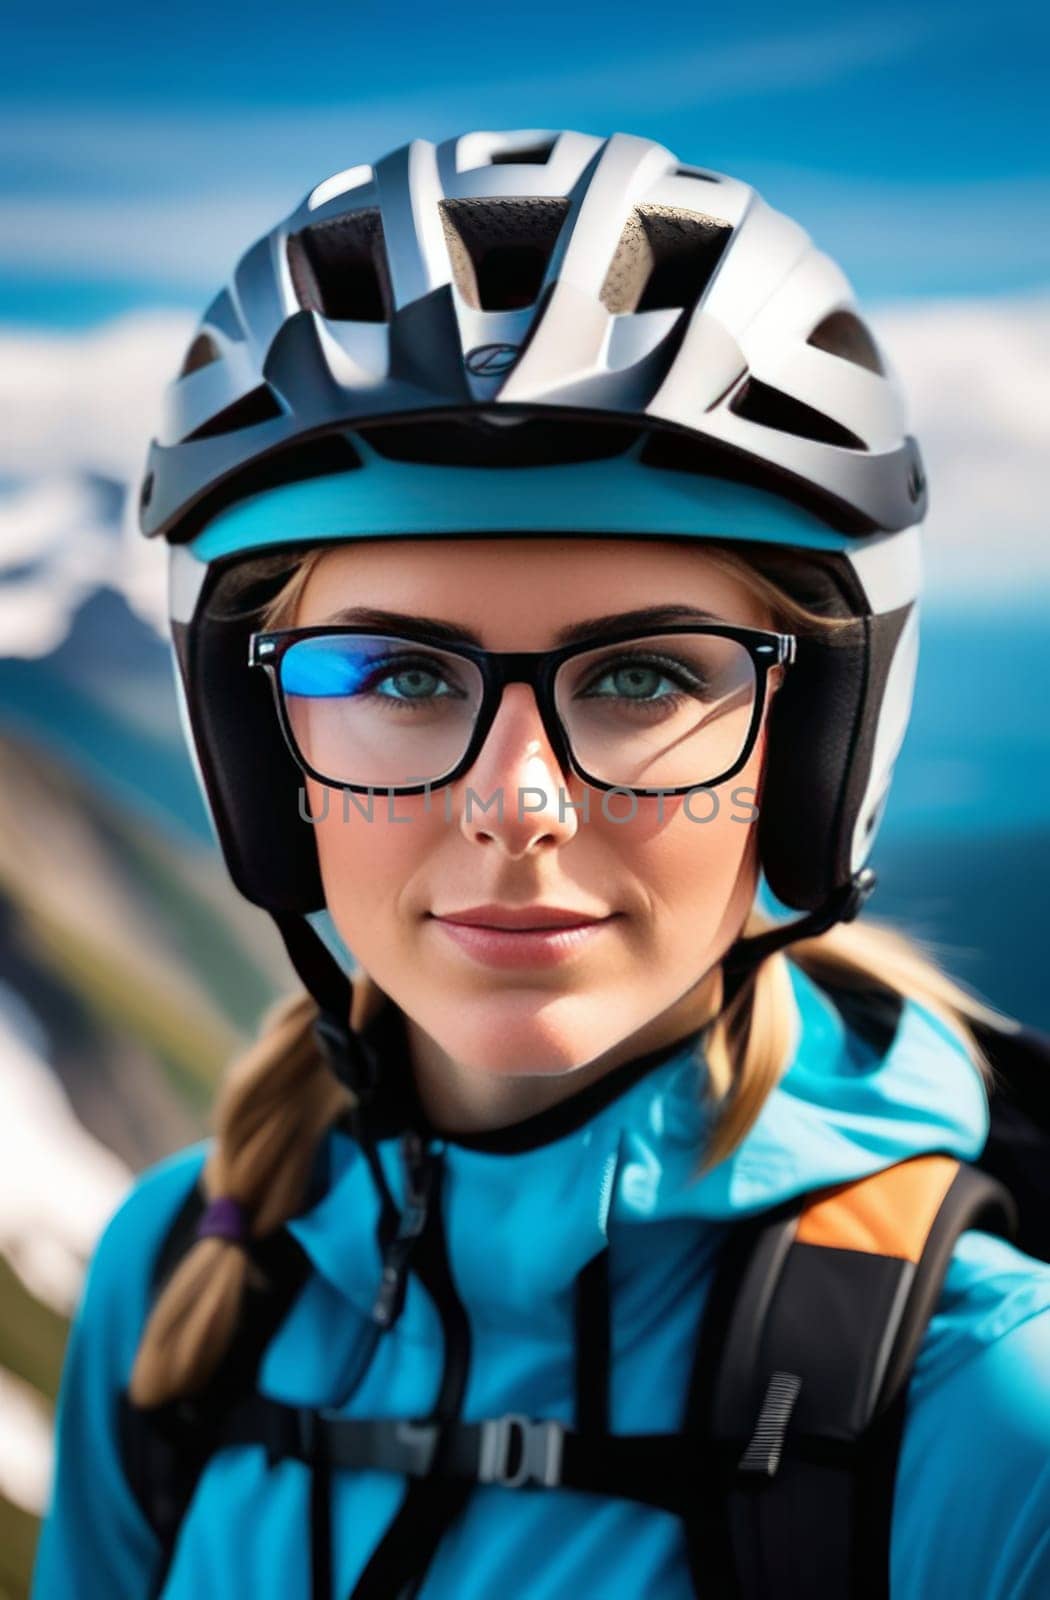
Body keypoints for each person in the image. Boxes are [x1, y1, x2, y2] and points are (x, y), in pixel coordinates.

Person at [31, 129, 1050, 1600]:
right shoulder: (182, 1278)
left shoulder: (984, 1418)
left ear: (817, 747)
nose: (519, 806)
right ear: (255, 756)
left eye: (640, 679)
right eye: (391, 676)